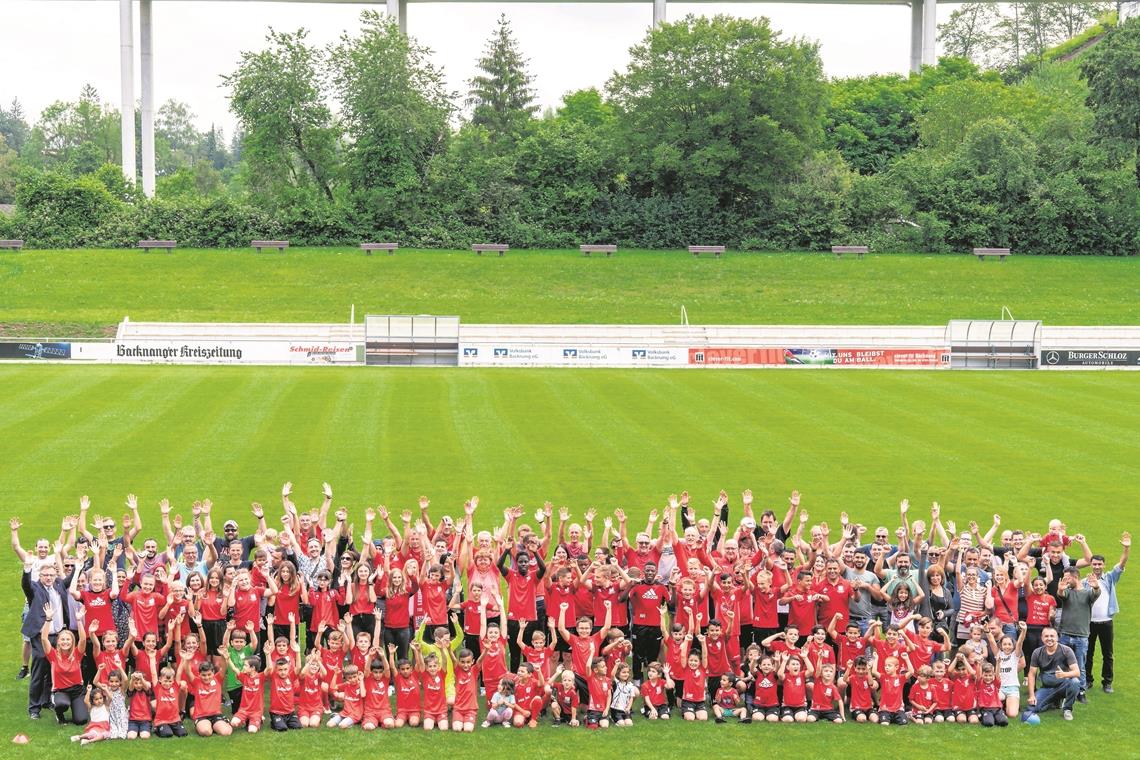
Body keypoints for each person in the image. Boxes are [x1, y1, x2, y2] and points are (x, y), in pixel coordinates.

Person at [22, 559, 71, 719]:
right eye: (45, 575)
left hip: (57, 634)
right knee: (39, 669)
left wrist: (78, 564)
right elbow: (26, 585)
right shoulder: (35, 588)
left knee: (53, 669)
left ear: (55, 575)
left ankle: (46, 701)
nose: (49, 578)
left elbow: (68, 581)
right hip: (40, 635)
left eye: (51, 575)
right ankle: (34, 708)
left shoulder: (58, 585)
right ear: (40, 576)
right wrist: (27, 569)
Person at [1086, 532, 1129, 694]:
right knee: (1087, 654)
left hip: (1106, 622)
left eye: (1099, 564)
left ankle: (1107, 682)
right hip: (1089, 623)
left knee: (1108, 654)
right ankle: (1088, 680)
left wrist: (1126, 548)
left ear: (1103, 565)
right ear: (1091, 565)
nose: (1097, 567)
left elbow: (1122, 564)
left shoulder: (1110, 578)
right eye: (1094, 564)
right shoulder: (1085, 582)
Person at [1056, 566, 1100, 702]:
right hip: (1064, 635)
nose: (1066, 580)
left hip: (1081, 636)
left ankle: (1081, 691)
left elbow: (1096, 594)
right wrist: (1061, 588)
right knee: (1062, 663)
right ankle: (1062, 690)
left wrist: (1096, 587)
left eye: (1068, 578)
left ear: (1075, 577)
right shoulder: (1067, 592)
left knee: (1080, 664)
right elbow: (1061, 594)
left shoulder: (1087, 593)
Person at [1024, 627, 1081, 721]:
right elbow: (1031, 674)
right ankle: (1054, 702)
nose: (1049, 638)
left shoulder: (1066, 650)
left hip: (1063, 685)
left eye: (1052, 636)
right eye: (1046, 636)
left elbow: (1077, 672)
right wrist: (1031, 695)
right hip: (1047, 687)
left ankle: (1067, 709)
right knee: (1032, 708)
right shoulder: (1037, 652)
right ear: (1042, 638)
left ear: (1057, 637)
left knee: (1075, 682)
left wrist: (1064, 675)